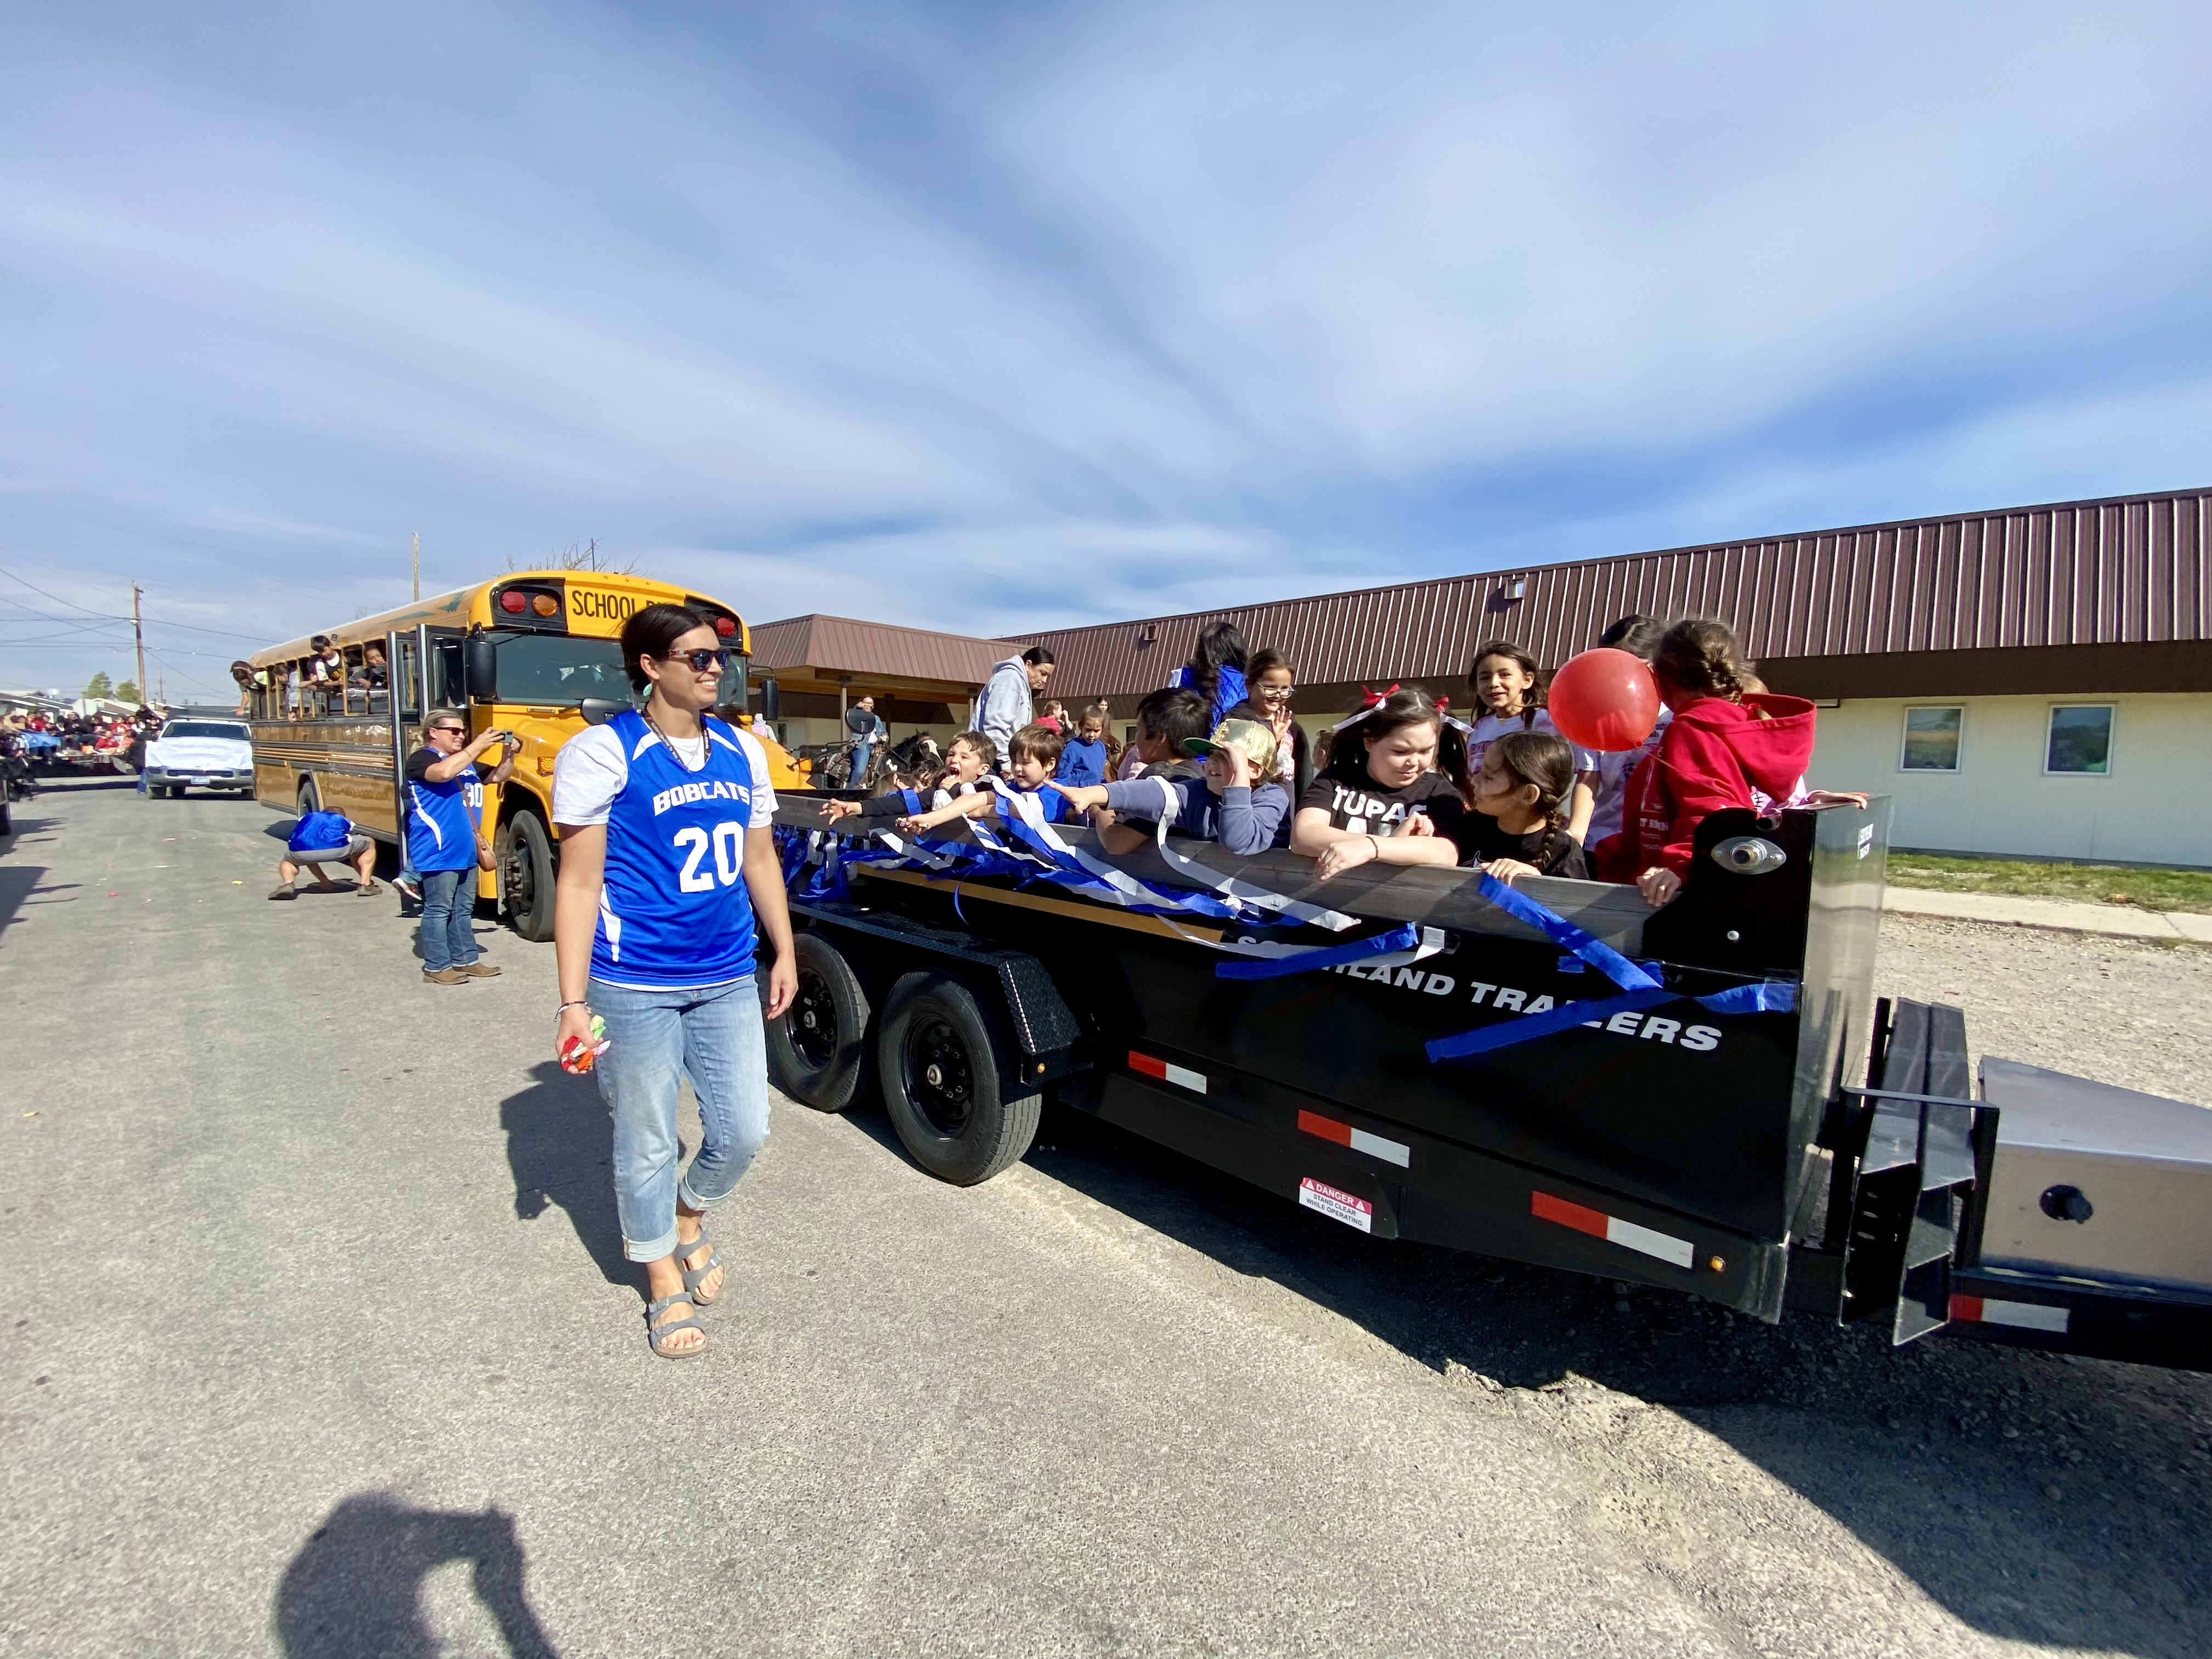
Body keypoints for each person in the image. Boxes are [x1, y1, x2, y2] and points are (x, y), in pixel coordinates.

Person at [551, 603, 797, 1359]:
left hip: (725, 972)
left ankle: (689, 1216)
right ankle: (660, 1275)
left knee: (743, 1130)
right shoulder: (603, 752)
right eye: (697, 657)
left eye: (720, 656)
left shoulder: (743, 750)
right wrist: (571, 1001)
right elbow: (579, 883)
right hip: (635, 981)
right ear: (651, 667)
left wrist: (784, 950)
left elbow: (759, 860)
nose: (715, 667)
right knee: (649, 1137)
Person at [1593, 619, 1816, 907]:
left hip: (1674, 894)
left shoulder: (1692, 728)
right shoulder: (1736, 721)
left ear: (1664, 677)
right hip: (1694, 878)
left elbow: (1711, 806)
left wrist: (1680, 862)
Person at [1291, 687, 1470, 881]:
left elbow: (1446, 853)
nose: (1413, 762)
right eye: (1400, 752)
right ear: (1369, 742)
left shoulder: (1439, 793)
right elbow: (1305, 835)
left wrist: (1372, 848)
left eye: (1425, 751)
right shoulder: (1336, 779)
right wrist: (1394, 844)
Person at [1051, 717, 1290, 855]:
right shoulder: (1199, 790)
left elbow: (1239, 840)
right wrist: (1093, 793)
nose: (1213, 762)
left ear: (1255, 770)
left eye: (1227, 757)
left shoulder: (1272, 798)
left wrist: (1238, 781)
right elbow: (1158, 794)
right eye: (1210, 755)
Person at [405, 713, 516, 985]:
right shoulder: (423, 759)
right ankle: (436, 966)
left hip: (466, 848)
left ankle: (466, 960)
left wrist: (508, 754)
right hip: (438, 847)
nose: (460, 735)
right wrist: (477, 744)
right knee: (438, 908)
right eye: (453, 731)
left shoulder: (466, 764)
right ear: (433, 732)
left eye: (463, 731)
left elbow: (499, 776)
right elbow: (443, 773)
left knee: (463, 909)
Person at [1464, 640, 1599, 843]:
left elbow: (1589, 771)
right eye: (1484, 677)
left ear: (1527, 680)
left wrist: (1577, 830)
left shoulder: (1552, 721)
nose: (1493, 683)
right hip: (1486, 836)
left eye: (1505, 674)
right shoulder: (1478, 730)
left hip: (1539, 837)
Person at [1434, 730, 1591, 882]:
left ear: (1528, 795)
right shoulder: (1467, 828)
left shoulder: (1564, 853)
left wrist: (1537, 883)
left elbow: (1574, 906)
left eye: (1488, 777)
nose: (1474, 781)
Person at [1584, 614, 1672, 849]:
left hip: (1663, 842)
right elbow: (1587, 779)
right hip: (1604, 841)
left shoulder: (1675, 712)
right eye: (1611, 664)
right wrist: (1576, 834)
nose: (1619, 674)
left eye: (1630, 664)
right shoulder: (1594, 715)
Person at [898, 724, 1075, 834]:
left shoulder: (1057, 791)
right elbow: (977, 799)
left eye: (1026, 762)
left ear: (1050, 764)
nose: (1017, 768)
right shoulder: (1013, 788)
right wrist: (931, 819)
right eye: (1014, 762)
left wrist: (982, 811)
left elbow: (1025, 810)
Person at [818, 730, 994, 827]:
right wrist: (856, 807)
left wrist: (955, 790)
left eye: (964, 757)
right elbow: (900, 803)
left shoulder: (992, 789)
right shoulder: (939, 790)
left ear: (982, 769)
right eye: (951, 754)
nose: (954, 760)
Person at [1223, 647, 1309, 809]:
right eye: (1270, 687)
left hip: (1286, 807)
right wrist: (1272, 740)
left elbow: (1303, 773)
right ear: (1249, 685)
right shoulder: (1237, 721)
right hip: (1255, 807)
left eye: (1285, 689)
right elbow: (1239, 767)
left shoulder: (1291, 723)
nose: (1278, 694)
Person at [972, 646, 1054, 772]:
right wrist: (1006, 762)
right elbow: (995, 726)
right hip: (992, 761)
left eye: (1048, 676)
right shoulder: (1010, 680)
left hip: (997, 758)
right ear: (1028, 664)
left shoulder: (1019, 682)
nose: (1044, 680)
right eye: (1042, 673)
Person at [269, 808, 379, 899]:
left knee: (288, 861)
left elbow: (310, 858)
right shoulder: (340, 818)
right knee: (368, 844)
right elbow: (347, 833)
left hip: (301, 851)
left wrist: (324, 881)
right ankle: (366, 884)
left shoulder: (308, 817)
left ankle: (288, 884)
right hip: (337, 848)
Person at [1171, 618, 1249, 728]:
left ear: (1203, 649)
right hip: (1235, 742)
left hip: (1189, 743)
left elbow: (1167, 717)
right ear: (1238, 648)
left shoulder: (1182, 676)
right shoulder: (1249, 681)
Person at [1054, 702, 1115, 788]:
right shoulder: (1073, 748)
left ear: (1102, 728)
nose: (1091, 735)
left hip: (1095, 794)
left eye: (1096, 731)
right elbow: (1063, 776)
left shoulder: (1101, 747)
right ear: (1080, 726)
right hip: (1077, 793)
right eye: (1088, 730)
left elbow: (1100, 773)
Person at [844, 695, 886, 787]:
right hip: (862, 746)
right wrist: (857, 707)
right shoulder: (858, 715)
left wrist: (885, 737)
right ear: (862, 704)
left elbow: (883, 731)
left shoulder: (876, 718)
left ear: (873, 706)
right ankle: (852, 790)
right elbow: (853, 716)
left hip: (876, 747)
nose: (868, 705)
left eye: (870, 703)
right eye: (865, 703)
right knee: (860, 771)